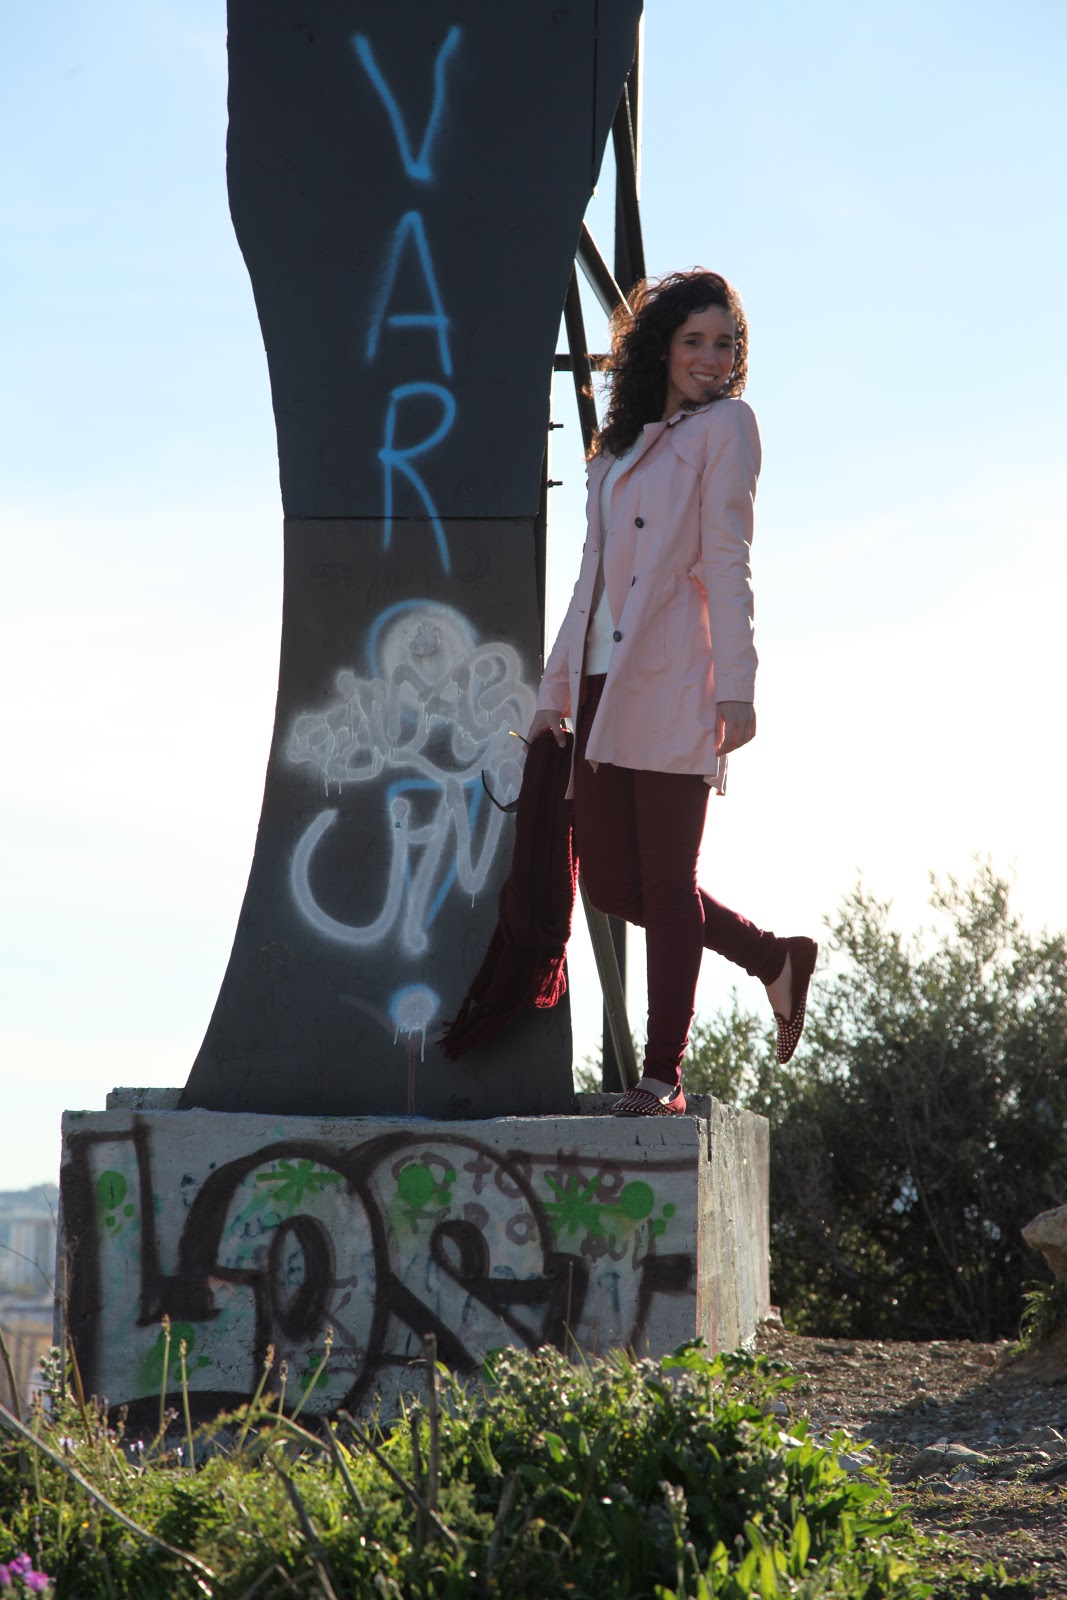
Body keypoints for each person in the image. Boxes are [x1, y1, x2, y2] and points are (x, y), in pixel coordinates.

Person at [528, 269, 817, 1117]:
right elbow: (587, 579)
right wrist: (553, 689)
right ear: (660, 347)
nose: (711, 359)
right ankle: (773, 957)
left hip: (674, 679)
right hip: (599, 681)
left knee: (665, 880)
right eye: (694, 341)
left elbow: (728, 559)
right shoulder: (613, 452)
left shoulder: (727, 427)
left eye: (725, 344)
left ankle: (661, 1076)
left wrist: (737, 687)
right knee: (612, 887)